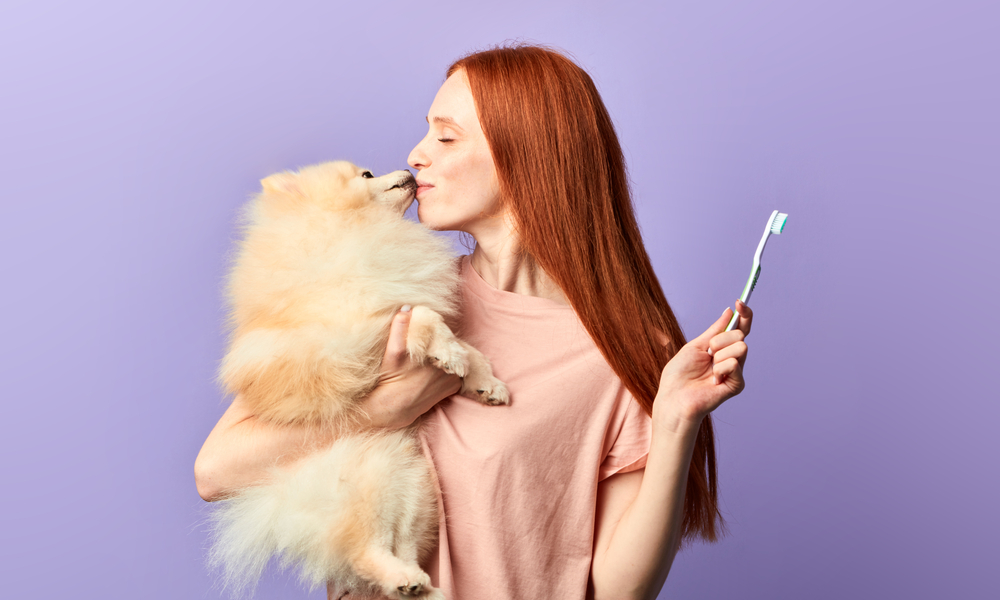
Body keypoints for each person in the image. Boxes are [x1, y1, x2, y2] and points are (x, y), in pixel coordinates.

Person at [195, 44, 752, 600]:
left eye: (446, 137)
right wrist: (384, 408)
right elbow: (216, 472)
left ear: (525, 155)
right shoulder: (385, 292)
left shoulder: (619, 350)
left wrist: (675, 422)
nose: (416, 154)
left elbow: (616, 591)